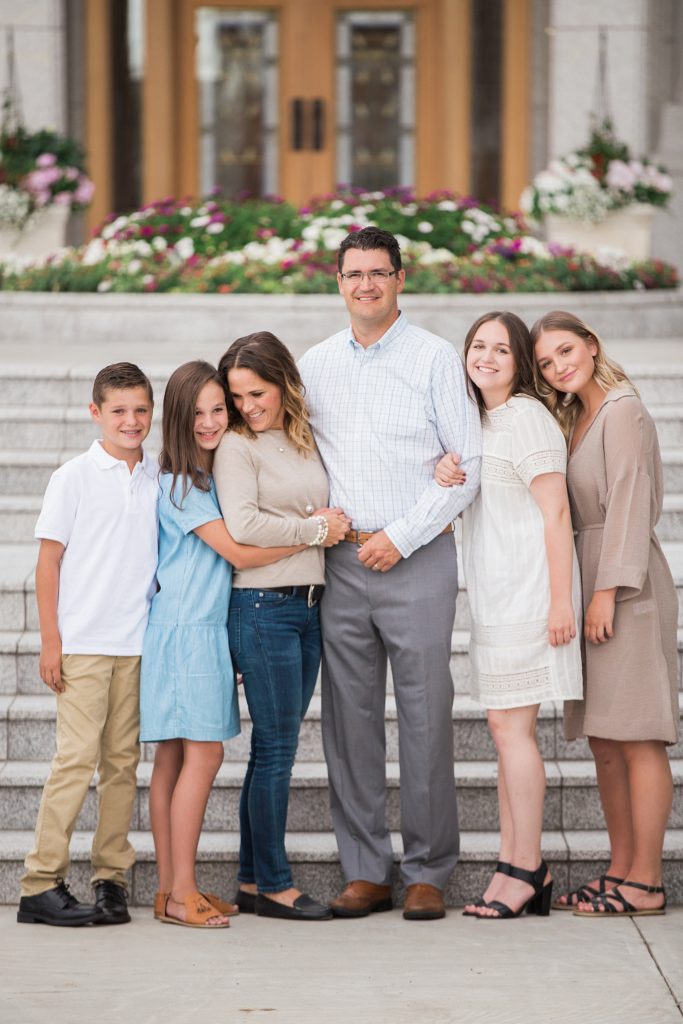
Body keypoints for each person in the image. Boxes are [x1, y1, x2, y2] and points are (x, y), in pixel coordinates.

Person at [298, 226, 482, 921]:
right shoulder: (315, 364)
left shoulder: (436, 359)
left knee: (426, 711)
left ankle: (429, 869)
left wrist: (401, 538)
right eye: (354, 274)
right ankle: (365, 870)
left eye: (379, 272)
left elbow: (467, 464)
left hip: (418, 557)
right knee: (347, 719)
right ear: (337, 282)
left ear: (400, 279)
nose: (366, 284)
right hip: (340, 563)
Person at [141, 360, 306, 929]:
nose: (211, 422)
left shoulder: (207, 477)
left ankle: (169, 890)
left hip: (190, 627)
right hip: (188, 631)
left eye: (220, 409)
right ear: (177, 418)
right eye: (199, 412)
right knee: (203, 754)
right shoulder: (184, 484)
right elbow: (238, 553)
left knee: (173, 757)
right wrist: (311, 537)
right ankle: (183, 893)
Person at [435, 312, 583, 919]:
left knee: (512, 732)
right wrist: (447, 469)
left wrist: (559, 601)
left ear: (521, 362)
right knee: (503, 732)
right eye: (478, 345)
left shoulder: (526, 418)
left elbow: (556, 513)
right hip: (494, 597)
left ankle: (526, 868)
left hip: (528, 595)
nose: (487, 356)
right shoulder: (482, 421)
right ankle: (513, 865)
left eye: (501, 349)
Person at [532, 310, 678, 917]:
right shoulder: (576, 416)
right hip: (590, 579)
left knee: (638, 736)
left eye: (566, 351)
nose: (559, 366)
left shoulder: (623, 410)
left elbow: (630, 501)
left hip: (627, 587)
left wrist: (605, 592)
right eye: (545, 362)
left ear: (592, 346)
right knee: (605, 739)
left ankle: (645, 880)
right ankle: (621, 869)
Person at [214, 331, 349, 922]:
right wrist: (315, 531)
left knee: (273, 750)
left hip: (308, 608)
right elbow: (243, 526)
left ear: (284, 383)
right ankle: (273, 883)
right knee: (275, 751)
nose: (247, 405)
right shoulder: (235, 447)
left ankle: (250, 879)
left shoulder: (301, 436)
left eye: (257, 391)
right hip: (263, 609)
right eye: (238, 395)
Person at [17, 363, 159, 927]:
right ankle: (40, 882)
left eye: (141, 410)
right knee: (75, 760)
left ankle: (110, 880)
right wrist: (51, 641)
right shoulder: (72, 476)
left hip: (136, 642)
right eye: (119, 410)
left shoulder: (157, 476)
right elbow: (47, 563)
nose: (131, 420)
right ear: (95, 412)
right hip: (81, 642)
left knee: (122, 764)